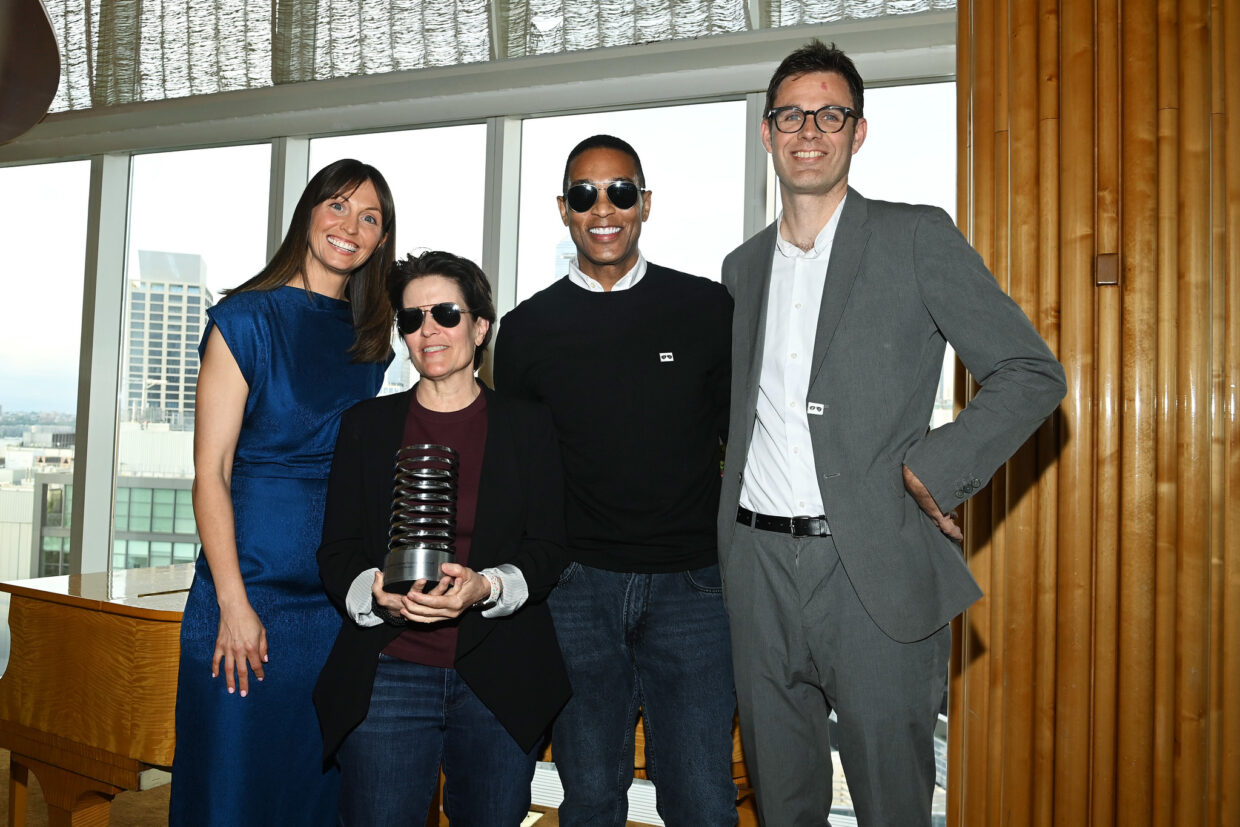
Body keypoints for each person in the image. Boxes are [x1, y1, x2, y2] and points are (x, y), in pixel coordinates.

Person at [717, 40, 1068, 826]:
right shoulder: (739, 271)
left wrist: (933, 472)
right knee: (782, 801)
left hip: (871, 569)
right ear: (767, 134)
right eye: (792, 115)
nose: (811, 129)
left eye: (830, 113)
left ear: (858, 131)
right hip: (756, 570)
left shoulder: (916, 237)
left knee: (891, 804)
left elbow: (1030, 372)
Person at [494, 134, 737, 826]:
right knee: (591, 797)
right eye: (584, 194)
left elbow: (746, 442)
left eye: (620, 191)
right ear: (565, 211)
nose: (604, 207)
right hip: (576, 593)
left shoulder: (705, 309)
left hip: (693, 590)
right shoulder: (526, 329)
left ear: (645, 203)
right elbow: (519, 471)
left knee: (702, 800)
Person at [171, 158, 396, 825]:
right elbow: (209, 472)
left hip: (332, 611)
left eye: (370, 218)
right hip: (248, 599)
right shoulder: (244, 319)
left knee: (313, 799)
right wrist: (235, 604)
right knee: (232, 795)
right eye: (337, 206)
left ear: (381, 241)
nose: (350, 226)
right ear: (308, 212)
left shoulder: (372, 342)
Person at [314, 250, 570, 826]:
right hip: (387, 674)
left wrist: (484, 586)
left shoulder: (528, 426)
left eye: (446, 314)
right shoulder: (365, 426)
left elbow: (550, 547)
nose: (427, 330)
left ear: (480, 327)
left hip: (499, 677)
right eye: (412, 318)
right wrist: (374, 592)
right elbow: (337, 548)